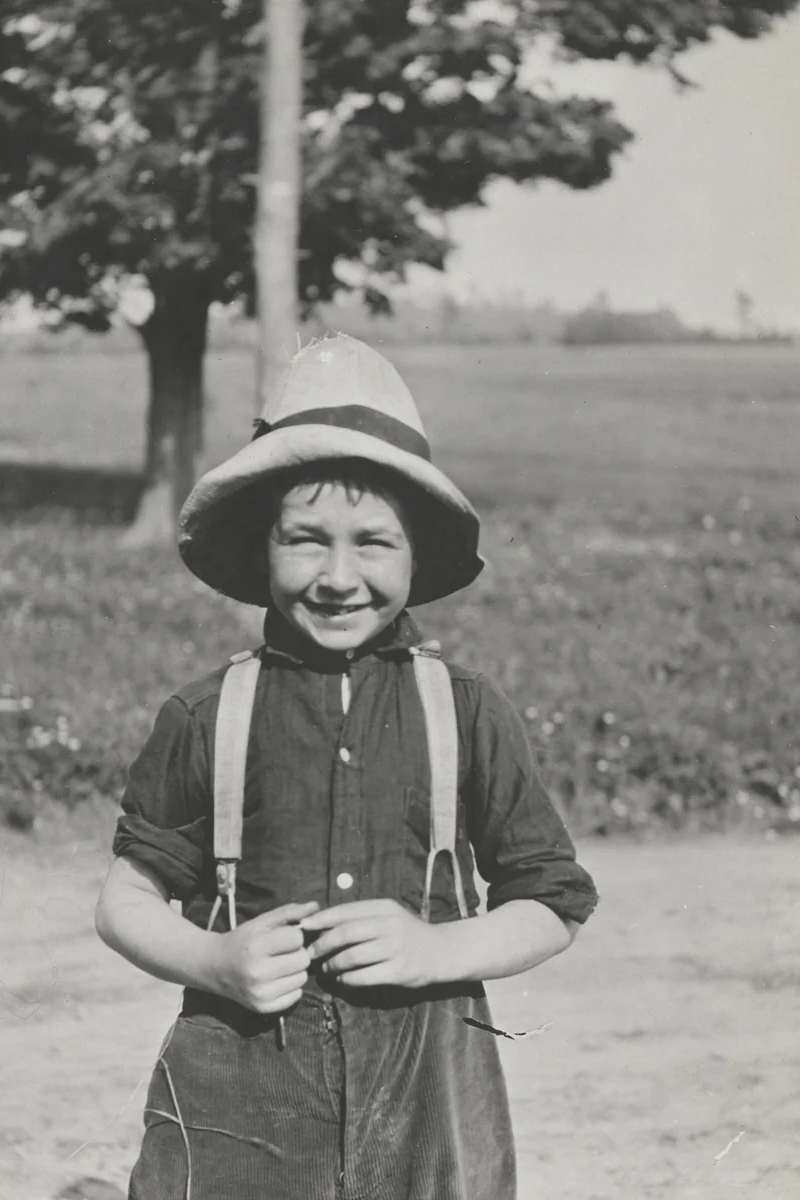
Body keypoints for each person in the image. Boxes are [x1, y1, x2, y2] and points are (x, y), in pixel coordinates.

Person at [95, 334, 598, 1200]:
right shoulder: (205, 715)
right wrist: (213, 963)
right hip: (241, 1098)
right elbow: (123, 902)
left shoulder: (465, 710)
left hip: (427, 1093)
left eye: (372, 543)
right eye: (304, 541)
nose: (337, 577)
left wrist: (433, 948)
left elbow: (551, 905)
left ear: (417, 556)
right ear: (261, 547)